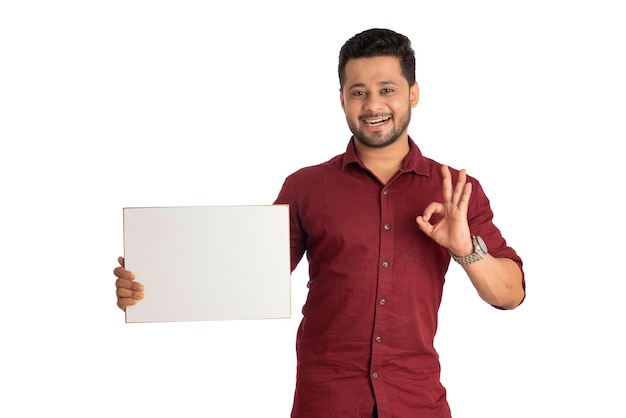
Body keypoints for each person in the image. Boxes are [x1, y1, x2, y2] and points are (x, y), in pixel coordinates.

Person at [114, 28, 525, 418]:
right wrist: (152, 286)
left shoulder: (455, 189)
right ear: (342, 99)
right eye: (358, 92)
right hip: (326, 401)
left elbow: (511, 294)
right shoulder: (305, 186)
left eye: (388, 90)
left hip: (417, 401)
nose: (373, 105)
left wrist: (465, 249)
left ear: (413, 94)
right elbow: (248, 277)